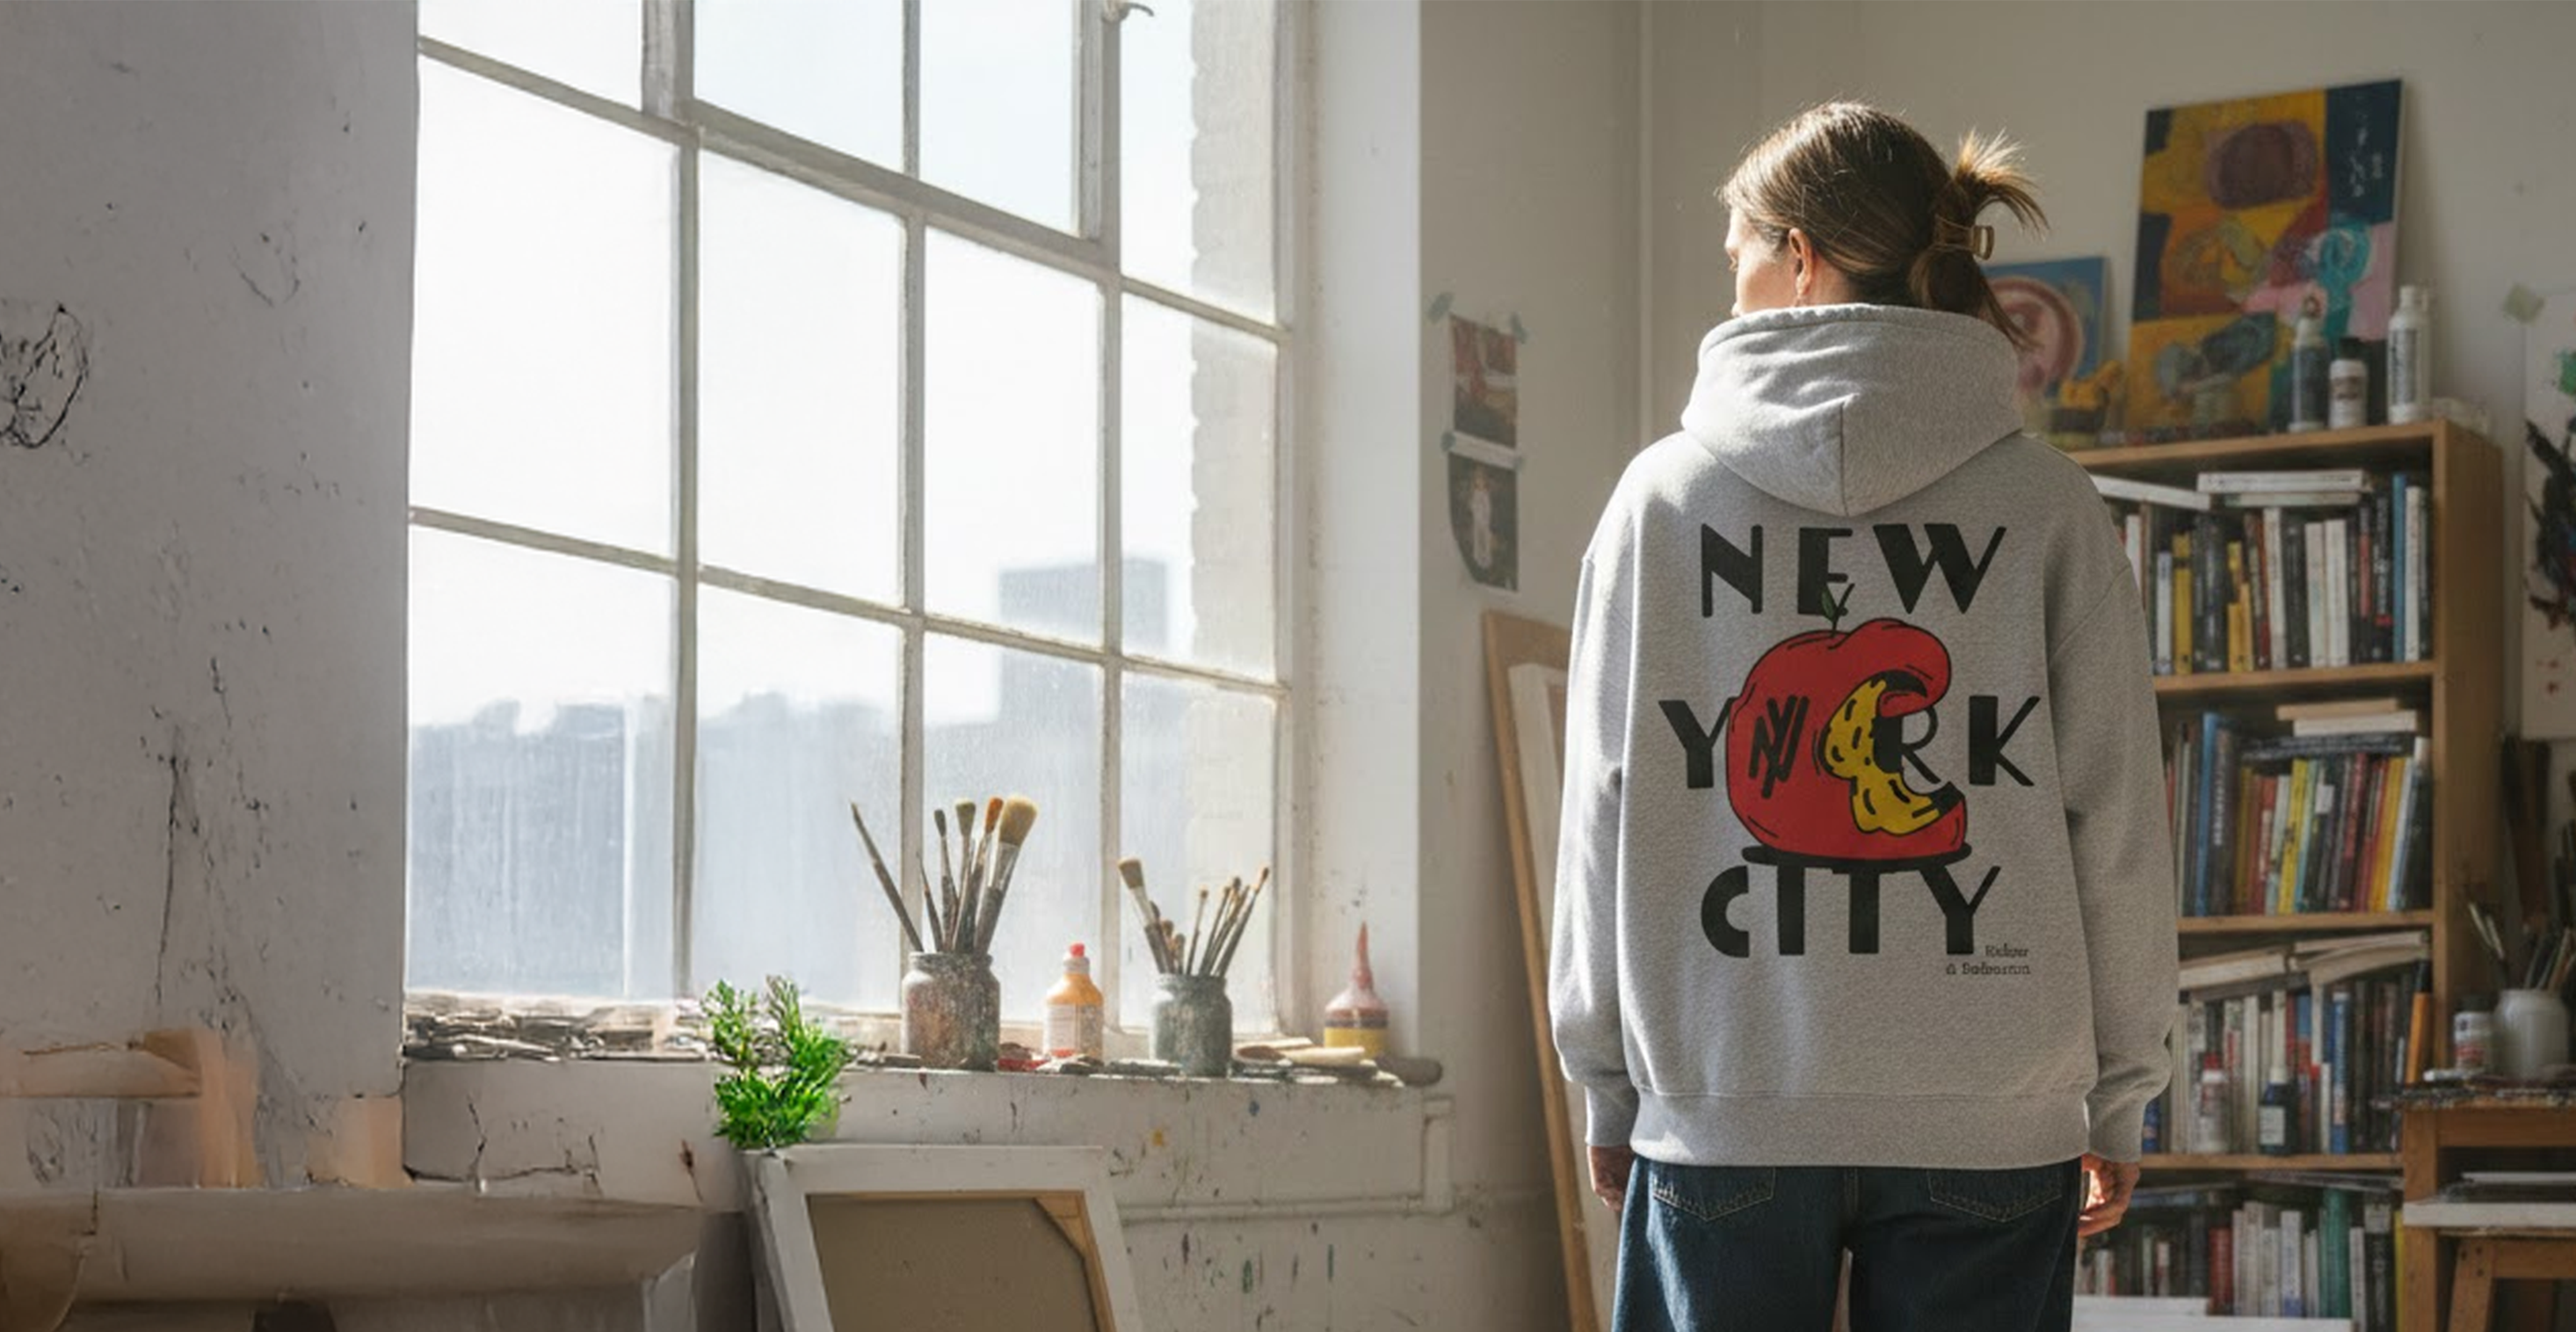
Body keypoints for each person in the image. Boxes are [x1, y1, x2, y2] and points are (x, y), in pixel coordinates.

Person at [1548, 102, 2179, 1332]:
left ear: (1799, 253)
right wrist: (2116, 1091)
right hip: (1991, 1111)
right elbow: (2113, 815)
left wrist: (1605, 1082)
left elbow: (1604, 802)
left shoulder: (1659, 502)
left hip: (1725, 1094)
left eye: (1734, 247)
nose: (1725, 281)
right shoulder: (2047, 505)